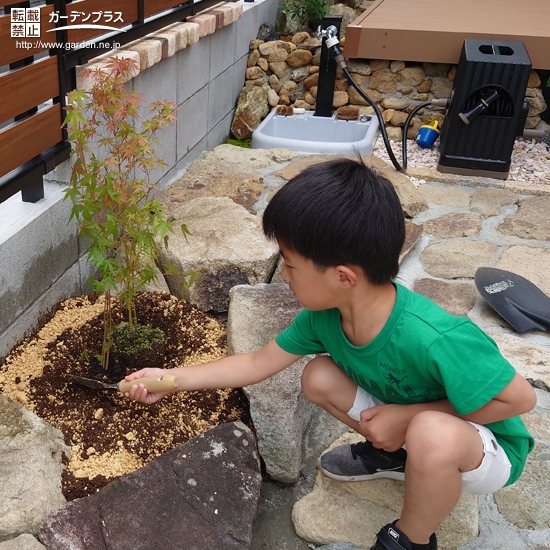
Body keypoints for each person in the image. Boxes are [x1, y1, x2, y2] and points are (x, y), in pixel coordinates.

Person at [124, 157, 536, 550]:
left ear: (343, 277)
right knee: (317, 376)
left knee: (431, 431)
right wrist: (172, 379)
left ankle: (410, 539)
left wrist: (407, 418)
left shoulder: (434, 335)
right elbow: (255, 363)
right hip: (418, 425)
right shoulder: (325, 317)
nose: (282, 274)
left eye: (290, 264)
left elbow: (520, 399)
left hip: (484, 447)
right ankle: (394, 454)